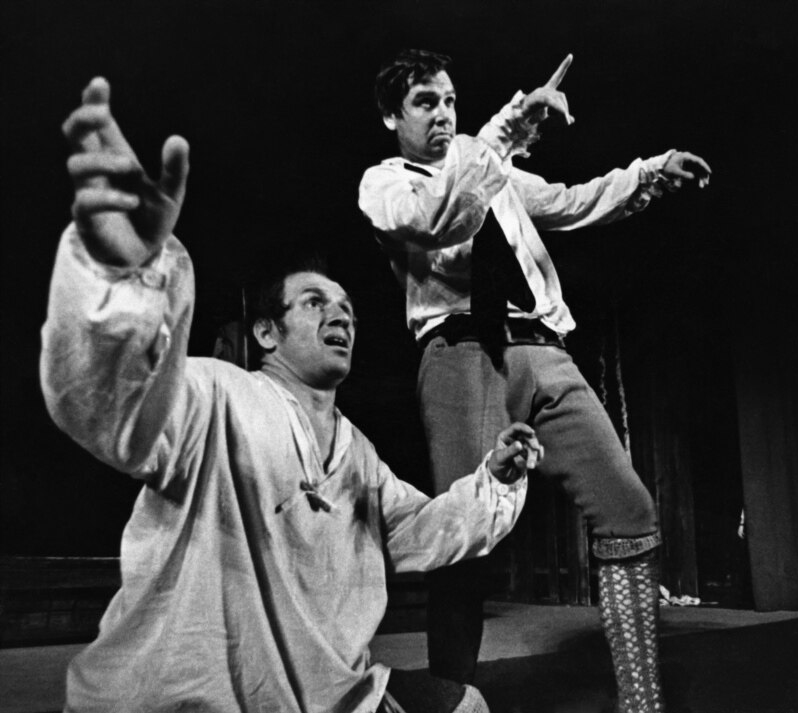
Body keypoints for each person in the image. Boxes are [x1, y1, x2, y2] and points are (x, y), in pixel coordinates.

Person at [41, 76, 546, 713]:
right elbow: (115, 409)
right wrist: (120, 283)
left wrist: (495, 480)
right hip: (185, 697)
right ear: (266, 332)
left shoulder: (357, 454)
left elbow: (419, 532)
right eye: (313, 303)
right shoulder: (217, 396)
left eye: (347, 309)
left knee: (464, 705)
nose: (340, 316)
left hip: (326, 694)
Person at [359, 49, 712, 713]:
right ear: (391, 117)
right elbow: (443, 217)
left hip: (542, 346)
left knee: (629, 510)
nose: (443, 114)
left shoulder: (493, 168)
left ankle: (642, 704)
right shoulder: (386, 185)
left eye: (449, 100)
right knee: (464, 539)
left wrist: (649, 172)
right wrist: (506, 132)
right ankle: (452, 701)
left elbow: (572, 202)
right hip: (462, 352)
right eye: (425, 102)